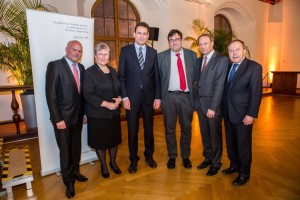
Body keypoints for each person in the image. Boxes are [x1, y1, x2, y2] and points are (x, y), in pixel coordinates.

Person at [45, 40, 88, 199]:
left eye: (79, 51)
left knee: (76, 147)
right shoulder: (55, 66)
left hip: (77, 117)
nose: (77, 53)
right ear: (67, 49)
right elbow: (51, 95)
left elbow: (81, 95)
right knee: (65, 150)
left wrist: (83, 113)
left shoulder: (81, 68)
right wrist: (57, 118)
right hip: (62, 119)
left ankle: (76, 172)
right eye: (74, 50)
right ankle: (68, 181)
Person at [118, 22, 161, 174]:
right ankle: (133, 159)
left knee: (149, 130)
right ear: (134, 34)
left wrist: (158, 97)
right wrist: (124, 97)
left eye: (145, 33)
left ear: (148, 35)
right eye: (139, 33)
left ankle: (149, 156)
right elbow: (121, 77)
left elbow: (157, 77)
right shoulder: (125, 51)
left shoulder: (153, 52)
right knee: (132, 130)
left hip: (149, 98)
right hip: (131, 98)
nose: (142, 36)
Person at [222, 39, 262, 186]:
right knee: (231, 143)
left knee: (243, 145)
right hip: (228, 113)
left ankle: (244, 173)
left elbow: (256, 93)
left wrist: (251, 114)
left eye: (237, 50)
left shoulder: (254, 67)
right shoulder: (227, 66)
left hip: (243, 115)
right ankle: (234, 165)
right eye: (231, 51)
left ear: (244, 50)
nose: (234, 53)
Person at [157, 29, 197, 169]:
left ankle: (186, 156)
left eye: (177, 39)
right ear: (168, 42)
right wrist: (158, 98)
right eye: (171, 40)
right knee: (170, 129)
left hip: (186, 98)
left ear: (181, 40)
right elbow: (157, 79)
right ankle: (172, 156)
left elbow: (196, 80)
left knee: (186, 129)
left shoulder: (192, 55)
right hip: (169, 98)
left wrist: (196, 100)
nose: (174, 42)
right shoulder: (161, 57)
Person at [83, 43, 122, 179]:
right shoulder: (89, 72)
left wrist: (119, 99)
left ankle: (113, 162)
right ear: (95, 56)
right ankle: (104, 165)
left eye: (105, 54)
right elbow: (88, 95)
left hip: (114, 113)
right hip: (98, 114)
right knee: (100, 142)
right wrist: (106, 104)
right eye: (100, 54)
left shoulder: (112, 70)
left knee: (113, 140)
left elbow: (118, 89)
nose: (103, 56)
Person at [194, 34, 228, 176]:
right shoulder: (199, 60)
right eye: (200, 44)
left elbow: (220, 86)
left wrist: (213, 107)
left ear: (212, 43)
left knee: (215, 136)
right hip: (200, 105)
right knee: (205, 135)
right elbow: (195, 83)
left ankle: (216, 163)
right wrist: (196, 103)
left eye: (205, 43)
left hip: (213, 106)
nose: (203, 47)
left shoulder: (221, 60)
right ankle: (207, 158)